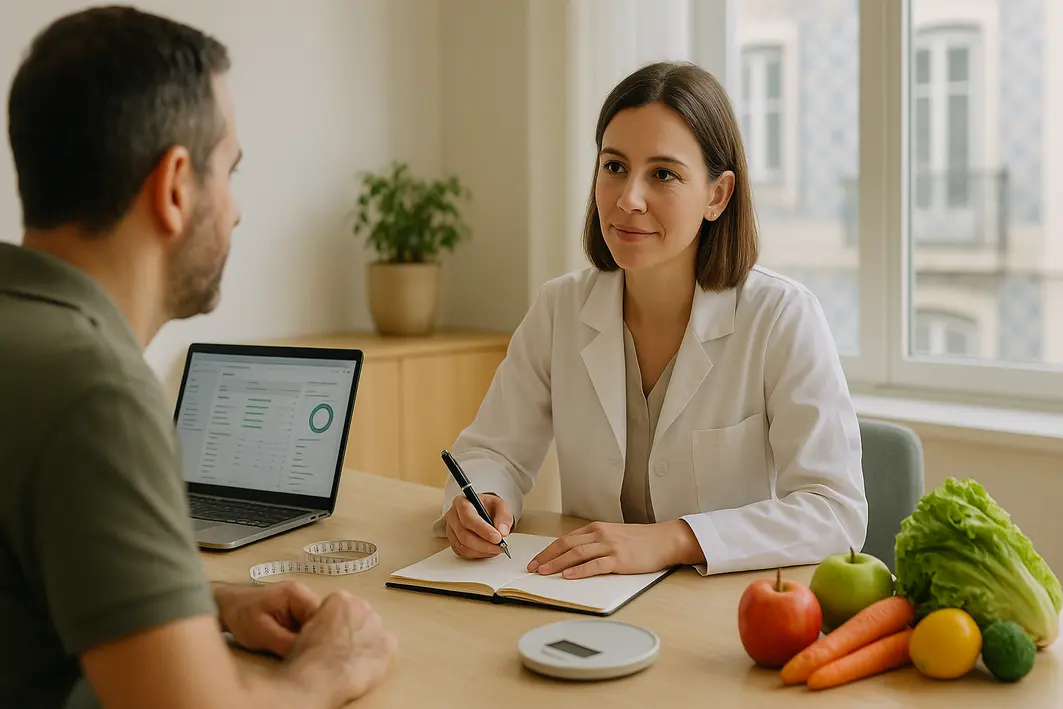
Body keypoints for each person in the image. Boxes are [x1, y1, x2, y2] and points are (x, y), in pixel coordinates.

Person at [0, 7, 395, 709]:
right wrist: (326, 668)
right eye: (230, 171)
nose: (236, 210)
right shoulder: (95, 392)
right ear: (175, 185)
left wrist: (202, 600)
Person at [436, 61, 868, 580]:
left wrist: (674, 539)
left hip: (718, 616)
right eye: (614, 166)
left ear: (718, 195)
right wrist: (481, 496)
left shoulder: (781, 317)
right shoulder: (559, 309)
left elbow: (835, 511)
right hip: (584, 602)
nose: (627, 199)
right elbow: (492, 450)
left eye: (662, 174)